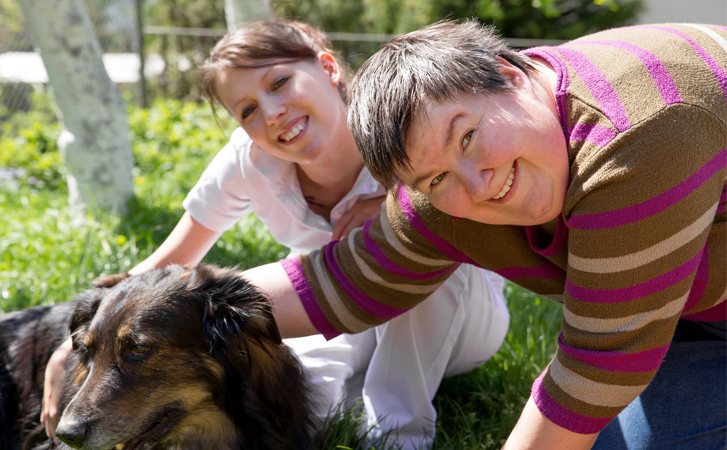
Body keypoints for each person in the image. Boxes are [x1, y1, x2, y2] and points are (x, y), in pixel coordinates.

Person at [239, 20, 726, 450]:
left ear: (510, 75)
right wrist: (186, 308)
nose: (478, 184)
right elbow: (345, 281)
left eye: (468, 136)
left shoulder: (641, 134)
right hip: (691, 312)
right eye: (437, 180)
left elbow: (600, 364)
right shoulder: (443, 187)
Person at [41, 21, 510, 450]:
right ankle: (356, 407)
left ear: (327, 68)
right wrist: (73, 346)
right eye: (247, 110)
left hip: (459, 316)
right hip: (339, 306)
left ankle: (398, 433)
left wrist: (400, 208)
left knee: (419, 252)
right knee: (299, 401)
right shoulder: (249, 160)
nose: (271, 113)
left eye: (280, 82)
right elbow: (169, 263)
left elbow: (471, 209)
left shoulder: (393, 125)